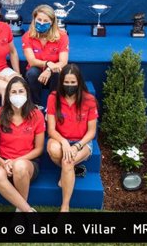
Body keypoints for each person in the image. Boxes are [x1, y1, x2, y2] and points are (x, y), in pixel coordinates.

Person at [46, 64, 98, 212]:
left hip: (81, 142)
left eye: (73, 82)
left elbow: (91, 132)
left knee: (67, 161)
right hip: (60, 139)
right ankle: (70, 170)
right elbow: (51, 130)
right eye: (66, 82)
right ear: (61, 82)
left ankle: (65, 206)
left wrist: (77, 146)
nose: (69, 85)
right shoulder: (53, 98)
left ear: (79, 82)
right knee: (55, 151)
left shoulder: (89, 100)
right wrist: (63, 142)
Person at [0, 77, 45, 212]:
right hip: (2, 161)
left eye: (21, 91)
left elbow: (39, 149)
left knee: (19, 166)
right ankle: (26, 210)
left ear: (27, 93)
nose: (18, 95)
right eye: (14, 92)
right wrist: (2, 162)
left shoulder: (36, 115)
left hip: (27, 163)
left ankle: (20, 210)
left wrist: (15, 161)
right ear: (8, 95)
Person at [22, 4, 69, 106]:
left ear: (52, 22)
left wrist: (49, 69)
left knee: (57, 73)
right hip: (36, 71)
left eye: (45, 21)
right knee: (32, 73)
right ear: (34, 19)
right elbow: (32, 61)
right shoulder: (27, 36)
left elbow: (63, 62)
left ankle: (53, 106)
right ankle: (35, 106)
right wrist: (48, 64)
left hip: (54, 71)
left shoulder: (62, 36)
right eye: (39, 19)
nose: (41, 23)